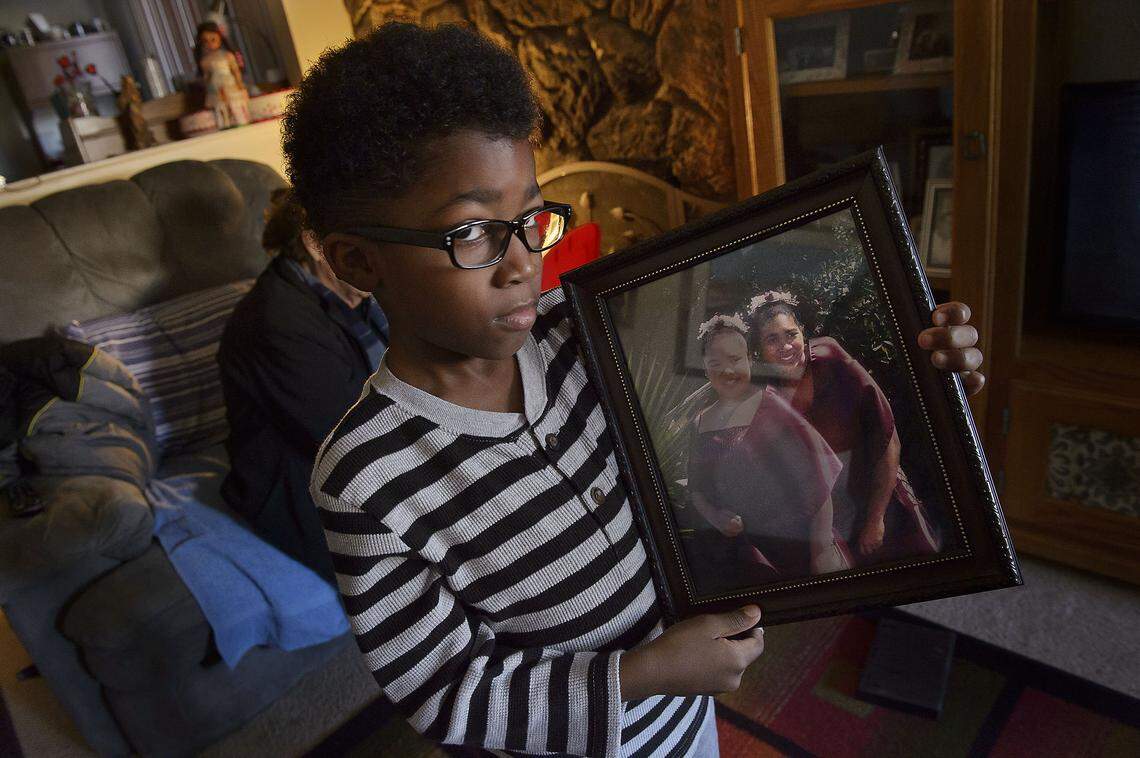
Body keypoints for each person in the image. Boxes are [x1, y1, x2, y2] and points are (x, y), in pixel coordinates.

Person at [285, 22, 984, 756]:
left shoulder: (580, 332)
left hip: (685, 721)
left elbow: (765, 390)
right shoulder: (366, 480)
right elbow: (448, 693)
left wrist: (928, 378)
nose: (523, 261)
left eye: (529, 219)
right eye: (472, 234)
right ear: (359, 263)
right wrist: (638, 676)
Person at [218, 188, 388, 583]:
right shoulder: (275, 322)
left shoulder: (349, 293)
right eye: (369, 241)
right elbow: (352, 441)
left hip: (363, 450)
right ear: (315, 245)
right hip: (297, 483)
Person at [748, 291, 944, 567]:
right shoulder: (765, 394)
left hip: (879, 493)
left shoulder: (829, 357)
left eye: (791, 334)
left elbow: (889, 439)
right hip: (833, 515)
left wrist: (875, 518)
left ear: (803, 332)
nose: (786, 346)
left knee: (917, 569)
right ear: (759, 349)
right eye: (772, 339)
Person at [687, 314, 849, 585]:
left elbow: (819, 481)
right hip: (740, 556)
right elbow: (696, 489)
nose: (727, 371)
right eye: (715, 364)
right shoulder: (699, 423)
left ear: (749, 359)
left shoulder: (774, 409)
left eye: (735, 360)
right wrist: (714, 516)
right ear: (705, 369)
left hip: (798, 549)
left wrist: (822, 550)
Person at [194, 21, 249, 128]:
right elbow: (206, 77)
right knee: (220, 107)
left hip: (229, 84)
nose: (210, 44)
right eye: (205, 41)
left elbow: (235, 71)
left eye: (213, 39)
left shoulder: (228, 56)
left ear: (220, 38)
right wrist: (207, 87)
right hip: (215, 87)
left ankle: (239, 121)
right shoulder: (205, 61)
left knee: (234, 104)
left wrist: (240, 84)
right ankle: (224, 124)